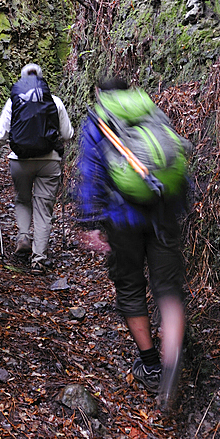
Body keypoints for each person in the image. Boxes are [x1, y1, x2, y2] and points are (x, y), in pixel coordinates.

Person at [75, 78, 189, 412]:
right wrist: (178, 205)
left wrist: (89, 222)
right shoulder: (150, 109)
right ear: (129, 90)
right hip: (162, 211)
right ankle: (172, 365)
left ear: (99, 93)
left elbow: (90, 170)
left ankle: (151, 364)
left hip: (121, 218)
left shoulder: (99, 118)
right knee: (168, 289)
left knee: (130, 286)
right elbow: (176, 158)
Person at [0, 63, 73, 275]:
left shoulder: (14, 100)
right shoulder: (55, 101)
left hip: (20, 161)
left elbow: (2, 134)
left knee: (23, 199)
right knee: (43, 210)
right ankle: (38, 259)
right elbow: (68, 134)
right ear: (42, 79)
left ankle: (24, 236)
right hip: (49, 161)